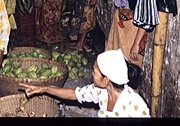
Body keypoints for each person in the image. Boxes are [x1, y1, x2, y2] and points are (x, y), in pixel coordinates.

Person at [19, 49, 150, 118]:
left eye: (95, 71)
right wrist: (43, 89)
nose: (92, 73)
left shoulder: (136, 106)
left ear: (107, 79)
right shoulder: (101, 91)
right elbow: (73, 94)